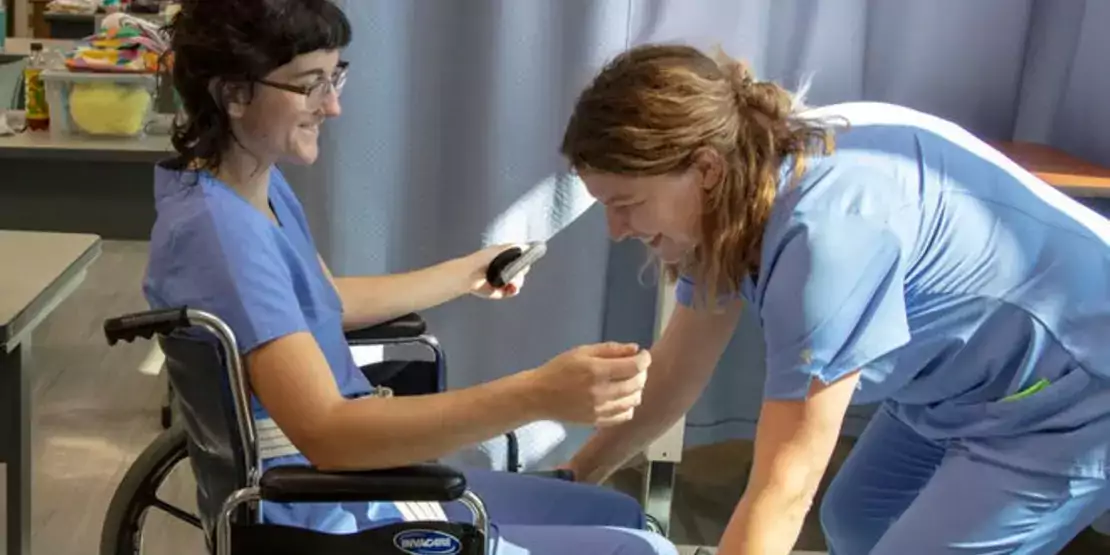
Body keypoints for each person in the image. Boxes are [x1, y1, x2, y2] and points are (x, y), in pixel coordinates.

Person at [142, 2, 677, 554]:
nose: (333, 106)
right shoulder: (222, 237)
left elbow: (321, 301)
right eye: (309, 86)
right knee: (643, 550)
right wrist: (537, 394)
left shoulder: (251, 188)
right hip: (328, 509)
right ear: (233, 94)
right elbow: (328, 433)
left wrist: (469, 272)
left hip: (358, 480)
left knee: (620, 512)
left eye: (335, 77)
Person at [558, 43, 1110, 554]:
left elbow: (784, 487)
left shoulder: (826, 244)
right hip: (958, 388)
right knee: (856, 519)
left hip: (1072, 399)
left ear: (704, 168)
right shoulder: (737, 193)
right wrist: (564, 490)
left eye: (627, 202)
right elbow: (674, 377)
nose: (616, 229)